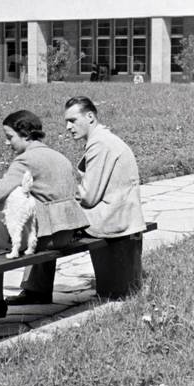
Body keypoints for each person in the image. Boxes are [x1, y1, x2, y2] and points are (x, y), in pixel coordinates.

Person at [0, 110, 87, 318]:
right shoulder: (59, 156)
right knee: (22, 218)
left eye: (10, 137)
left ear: (25, 135)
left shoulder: (25, 160)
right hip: (67, 233)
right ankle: (32, 290)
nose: (8, 143)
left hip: (46, 238)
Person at [64, 96, 146, 298]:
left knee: (47, 226)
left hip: (111, 221)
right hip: (122, 215)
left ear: (90, 117)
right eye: (66, 121)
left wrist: (64, 190)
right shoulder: (106, 139)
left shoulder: (99, 144)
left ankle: (35, 290)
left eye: (73, 120)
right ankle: (36, 288)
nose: (67, 127)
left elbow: (88, 197)